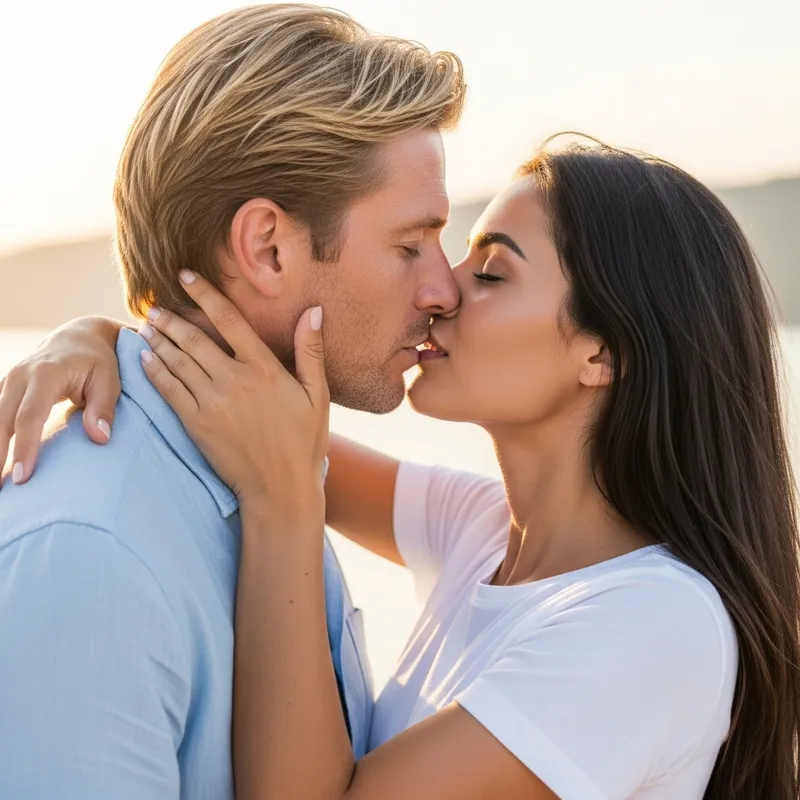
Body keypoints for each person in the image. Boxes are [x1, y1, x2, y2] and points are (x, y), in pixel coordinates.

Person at [5, 139, 800, 798]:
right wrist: (100, 340)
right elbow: (244, 415)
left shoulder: (653, 625)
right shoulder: (485, 534)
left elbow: (283, 469)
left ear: (603, 352)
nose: (440, 291)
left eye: (490, 273)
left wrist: (284, 508)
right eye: (440, 253)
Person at [0, 5, 466, 797]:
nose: (445, 288)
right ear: (267, 247)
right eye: (409, 244)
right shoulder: (91, 559)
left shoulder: (272, 470)